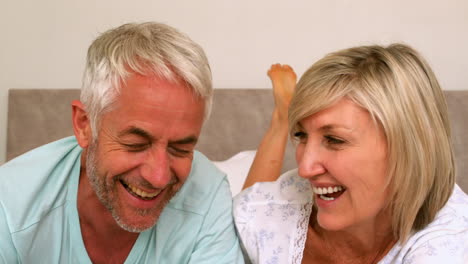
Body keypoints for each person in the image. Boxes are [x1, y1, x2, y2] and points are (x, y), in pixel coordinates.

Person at [0, 22, 243, 263]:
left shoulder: (208, 195)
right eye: (136, 144)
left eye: (180, 149)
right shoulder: (10, 207)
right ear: (85, 125)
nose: (158, 176)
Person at [234, 44, 468, 263]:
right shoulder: (263, 208)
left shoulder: (449, 241)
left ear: (408, 147)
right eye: (301, 136)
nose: (305, 168)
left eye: (335, 140)